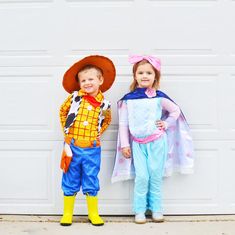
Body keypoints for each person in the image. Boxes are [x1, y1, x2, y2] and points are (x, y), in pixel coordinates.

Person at [111, 55, 194, 224]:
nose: (144, 76)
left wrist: (166, 123)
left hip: (157, 142)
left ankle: (156, 209)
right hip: (138, 144)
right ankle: (140, 210)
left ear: (155, 76)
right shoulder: (129, 100)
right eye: (140, 72)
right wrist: (125, 145)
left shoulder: (159, 97)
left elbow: (175, 111)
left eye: (149, 72)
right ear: (135, 76)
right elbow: (123, 123)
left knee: (155, 176)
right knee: (142, 177)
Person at [59, 55, 116, 226]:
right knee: (70, 176)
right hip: (73, 145)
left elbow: (106, 120)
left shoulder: (105, 105)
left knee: (91, 178)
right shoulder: (74, 97)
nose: (87, 83)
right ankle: (67, 213)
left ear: (100, 80)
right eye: (83, 80)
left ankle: (93, 214)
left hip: (92, 147)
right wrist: (67, 131)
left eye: (90, 79)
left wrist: (97, 133)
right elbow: (62, 112)